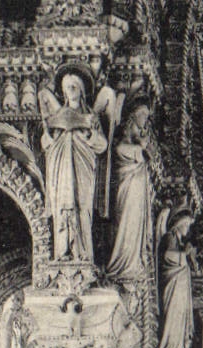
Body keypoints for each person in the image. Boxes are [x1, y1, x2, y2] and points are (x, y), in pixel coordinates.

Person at [40, 69, 108, 263]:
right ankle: (63, 251)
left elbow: (102, 145)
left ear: (81, 90)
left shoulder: (90, 116)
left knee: (82, 206)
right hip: (61, 170)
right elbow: (46, 143)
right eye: (67, 87)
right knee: (62, 207)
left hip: (82, 168)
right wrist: (49, 135)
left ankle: (82, 252)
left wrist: (89, 134)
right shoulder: (58, 116)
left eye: (74, 86)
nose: (70, 90)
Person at [106, 99, 154, 280]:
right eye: (142, 115)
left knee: (134, 226)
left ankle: (133, 264)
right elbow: (142, 154)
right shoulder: (123, 147)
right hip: (128, 193)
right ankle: (124, 265)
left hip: (137, 195)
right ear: (132, 118)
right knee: (127, 224)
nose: (145, 120)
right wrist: (142, 144)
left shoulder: (132, 146)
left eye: (146, 117)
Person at [157, 209, 197, 348]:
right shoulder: (170, 237)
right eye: (186, 224)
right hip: (172, 286)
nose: (187, 228)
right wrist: (184, 254)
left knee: (179, 319)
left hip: (180, 289)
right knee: (172, 317)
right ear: (178, 224)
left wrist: (189, 256)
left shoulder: (179, 242)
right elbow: (167, 256)